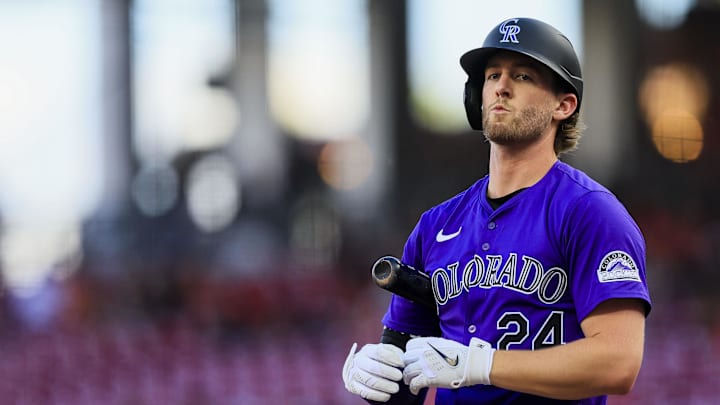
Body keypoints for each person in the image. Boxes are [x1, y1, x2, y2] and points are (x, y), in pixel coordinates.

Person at [342, 17, 651, 405]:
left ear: (564, 104)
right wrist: (375, 376)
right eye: (492, 76)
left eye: (522, 76)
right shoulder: (435, 225)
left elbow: (618, 364)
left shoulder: (590, 212)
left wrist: (482, 365)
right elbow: (404, 385)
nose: (501, 87)